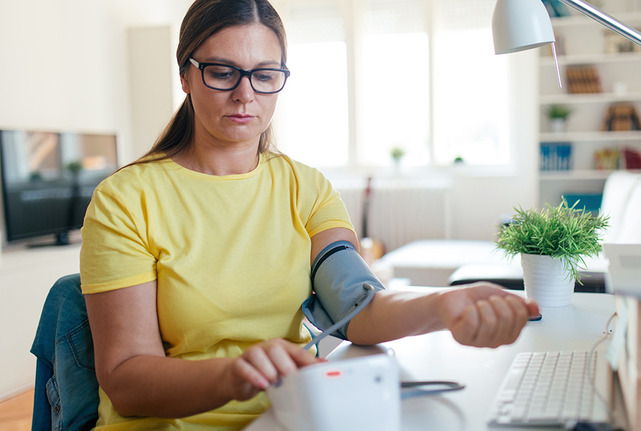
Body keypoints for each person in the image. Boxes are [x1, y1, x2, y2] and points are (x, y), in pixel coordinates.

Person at [80, 0, 540, 429]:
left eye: (265, 74)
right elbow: (126, 381)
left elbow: (356, 307)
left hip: (290, 415)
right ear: (185, 75)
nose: (245, 94)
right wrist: (232, 376)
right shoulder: (125, 200)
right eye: (222, 72)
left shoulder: (307, 188)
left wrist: (441, 304)